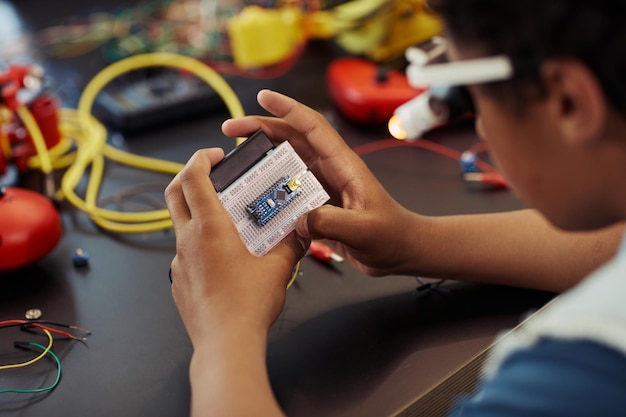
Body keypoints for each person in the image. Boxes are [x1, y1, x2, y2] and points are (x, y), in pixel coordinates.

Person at [164, 1, 626, 415]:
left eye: (470, 93)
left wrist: (223, 336)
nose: (481, 125)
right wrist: (410, 242)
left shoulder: (575, 379)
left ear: (568, 101)